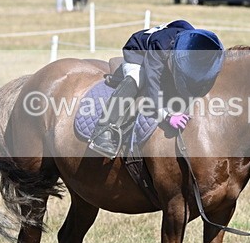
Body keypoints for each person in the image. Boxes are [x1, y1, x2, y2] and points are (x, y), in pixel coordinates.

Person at [88, 20, 224, 158]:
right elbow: (153, 83)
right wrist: (166, 115)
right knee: (138, 78)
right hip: (138, 53)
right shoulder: (160, 47)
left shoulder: (196, 46)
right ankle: (102, 130)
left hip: (168, 58)